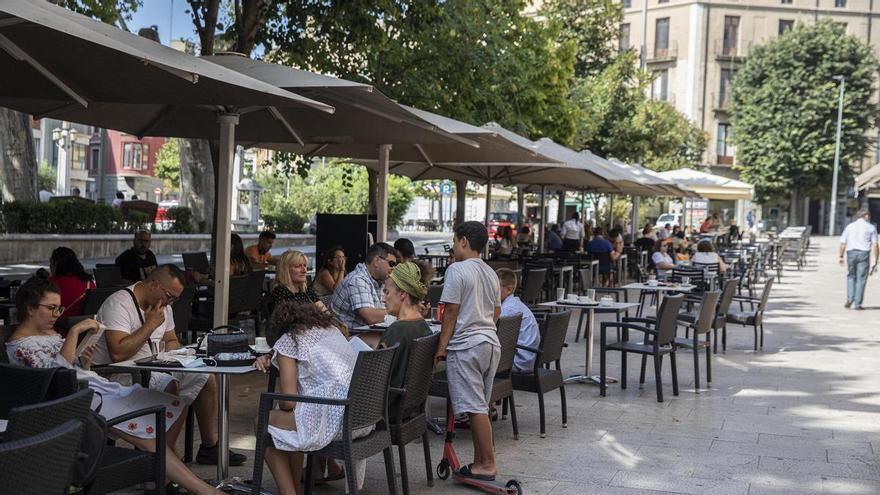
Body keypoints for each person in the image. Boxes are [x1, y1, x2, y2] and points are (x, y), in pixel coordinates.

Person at [5, 275, 222, 495]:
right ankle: (201, 490)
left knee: (174, 404)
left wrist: (85, 361)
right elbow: (56, 378)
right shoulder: (20, 345)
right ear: (30, 308)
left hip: (94, 388)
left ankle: (160, 474)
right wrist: (73, 332)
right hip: (78, 402)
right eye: (51, 308)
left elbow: (71, 368)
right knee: (152, 439)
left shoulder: (49, 333)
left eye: (59, 309)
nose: (56, 315)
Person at [90, 264, 246, 466]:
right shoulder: (119, 304)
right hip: (119, 373)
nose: (170, 302)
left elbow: (171, 340)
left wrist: (176, 355)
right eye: (169, 296)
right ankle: (166, 461)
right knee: (169, 384)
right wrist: (150, 325)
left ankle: (209, 446)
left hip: (154, 366)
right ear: (154, 284)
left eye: (174, 299)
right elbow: (119, 353)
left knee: (205, 377)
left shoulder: (163, 307)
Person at [255, 302, 368, 495]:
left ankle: (289, 492)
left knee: (262, 421)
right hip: (362, 416)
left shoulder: (288, 340)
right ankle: (295, 489)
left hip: (336, 420)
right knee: (293, 420)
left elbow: (288, 401)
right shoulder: (329, 328)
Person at [435, 221, 501, 481]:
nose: (453, 247)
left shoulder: (457, 269)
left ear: (463, 241)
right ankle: (480, 461)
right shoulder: (490, 272)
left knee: (475, 408)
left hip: (466, 345)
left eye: (454, 241)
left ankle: (487, 464)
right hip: (490, 342)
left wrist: (441, 348)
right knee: (480, 407)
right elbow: (496, 311)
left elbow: (450, 312)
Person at [378, 261, 432, 392]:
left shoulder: (396, 330)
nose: (383, 299)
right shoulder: (424, 326)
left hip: (386, 406)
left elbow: (376, 376)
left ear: (402, 294)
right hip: (409, 403)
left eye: (387, 292)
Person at [330, 242, 397, 329]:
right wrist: (400, 311)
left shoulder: (379, 280)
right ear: (377, 261)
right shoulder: (357, 279)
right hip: (346, 337)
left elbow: (383, 309)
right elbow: (371, 317)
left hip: (363, 332)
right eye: (391, 264)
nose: (393, 268)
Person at [496, 268, 539, 373]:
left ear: (509, 289)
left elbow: (496, 336)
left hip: (519, 362)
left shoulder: (507, 310)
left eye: (494, 288)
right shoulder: (514, 304)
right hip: (528, 357)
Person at [47, 246, 96, 334]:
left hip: (58, 331)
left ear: (56, 264)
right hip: (85, 332)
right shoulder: (89, 282)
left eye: (51, 262)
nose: (49, 266)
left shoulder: (52, 283)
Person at [839, 208, 879, 310]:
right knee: (861, 278)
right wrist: (877, 259)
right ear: (866, 216)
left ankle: (850, 298)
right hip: (864, 254)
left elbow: (843, 243)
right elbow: (875, 245)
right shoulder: (871, 228)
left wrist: (841, 256)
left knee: (851, 276)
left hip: (851, 253)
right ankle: (857, 303)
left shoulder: (849, 227)